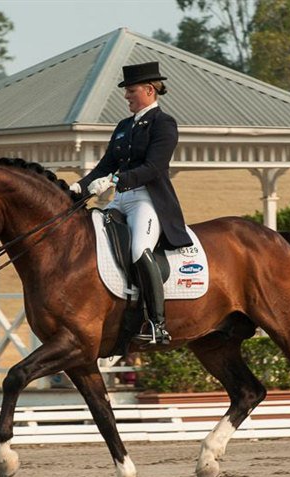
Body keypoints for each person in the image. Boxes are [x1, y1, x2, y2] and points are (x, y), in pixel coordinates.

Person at [70, 61, 192, 345]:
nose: (126, 96)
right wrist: (79, 186)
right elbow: (105, 165)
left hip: (147, 200)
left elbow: (154, 167)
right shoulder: (124, 126)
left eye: (131, 91)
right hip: (120, 200)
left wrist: (115, 181)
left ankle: (157, 323)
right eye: (126, 91)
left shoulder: (164, 124)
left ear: (149, 90)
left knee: (139, 249)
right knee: (93, 241)